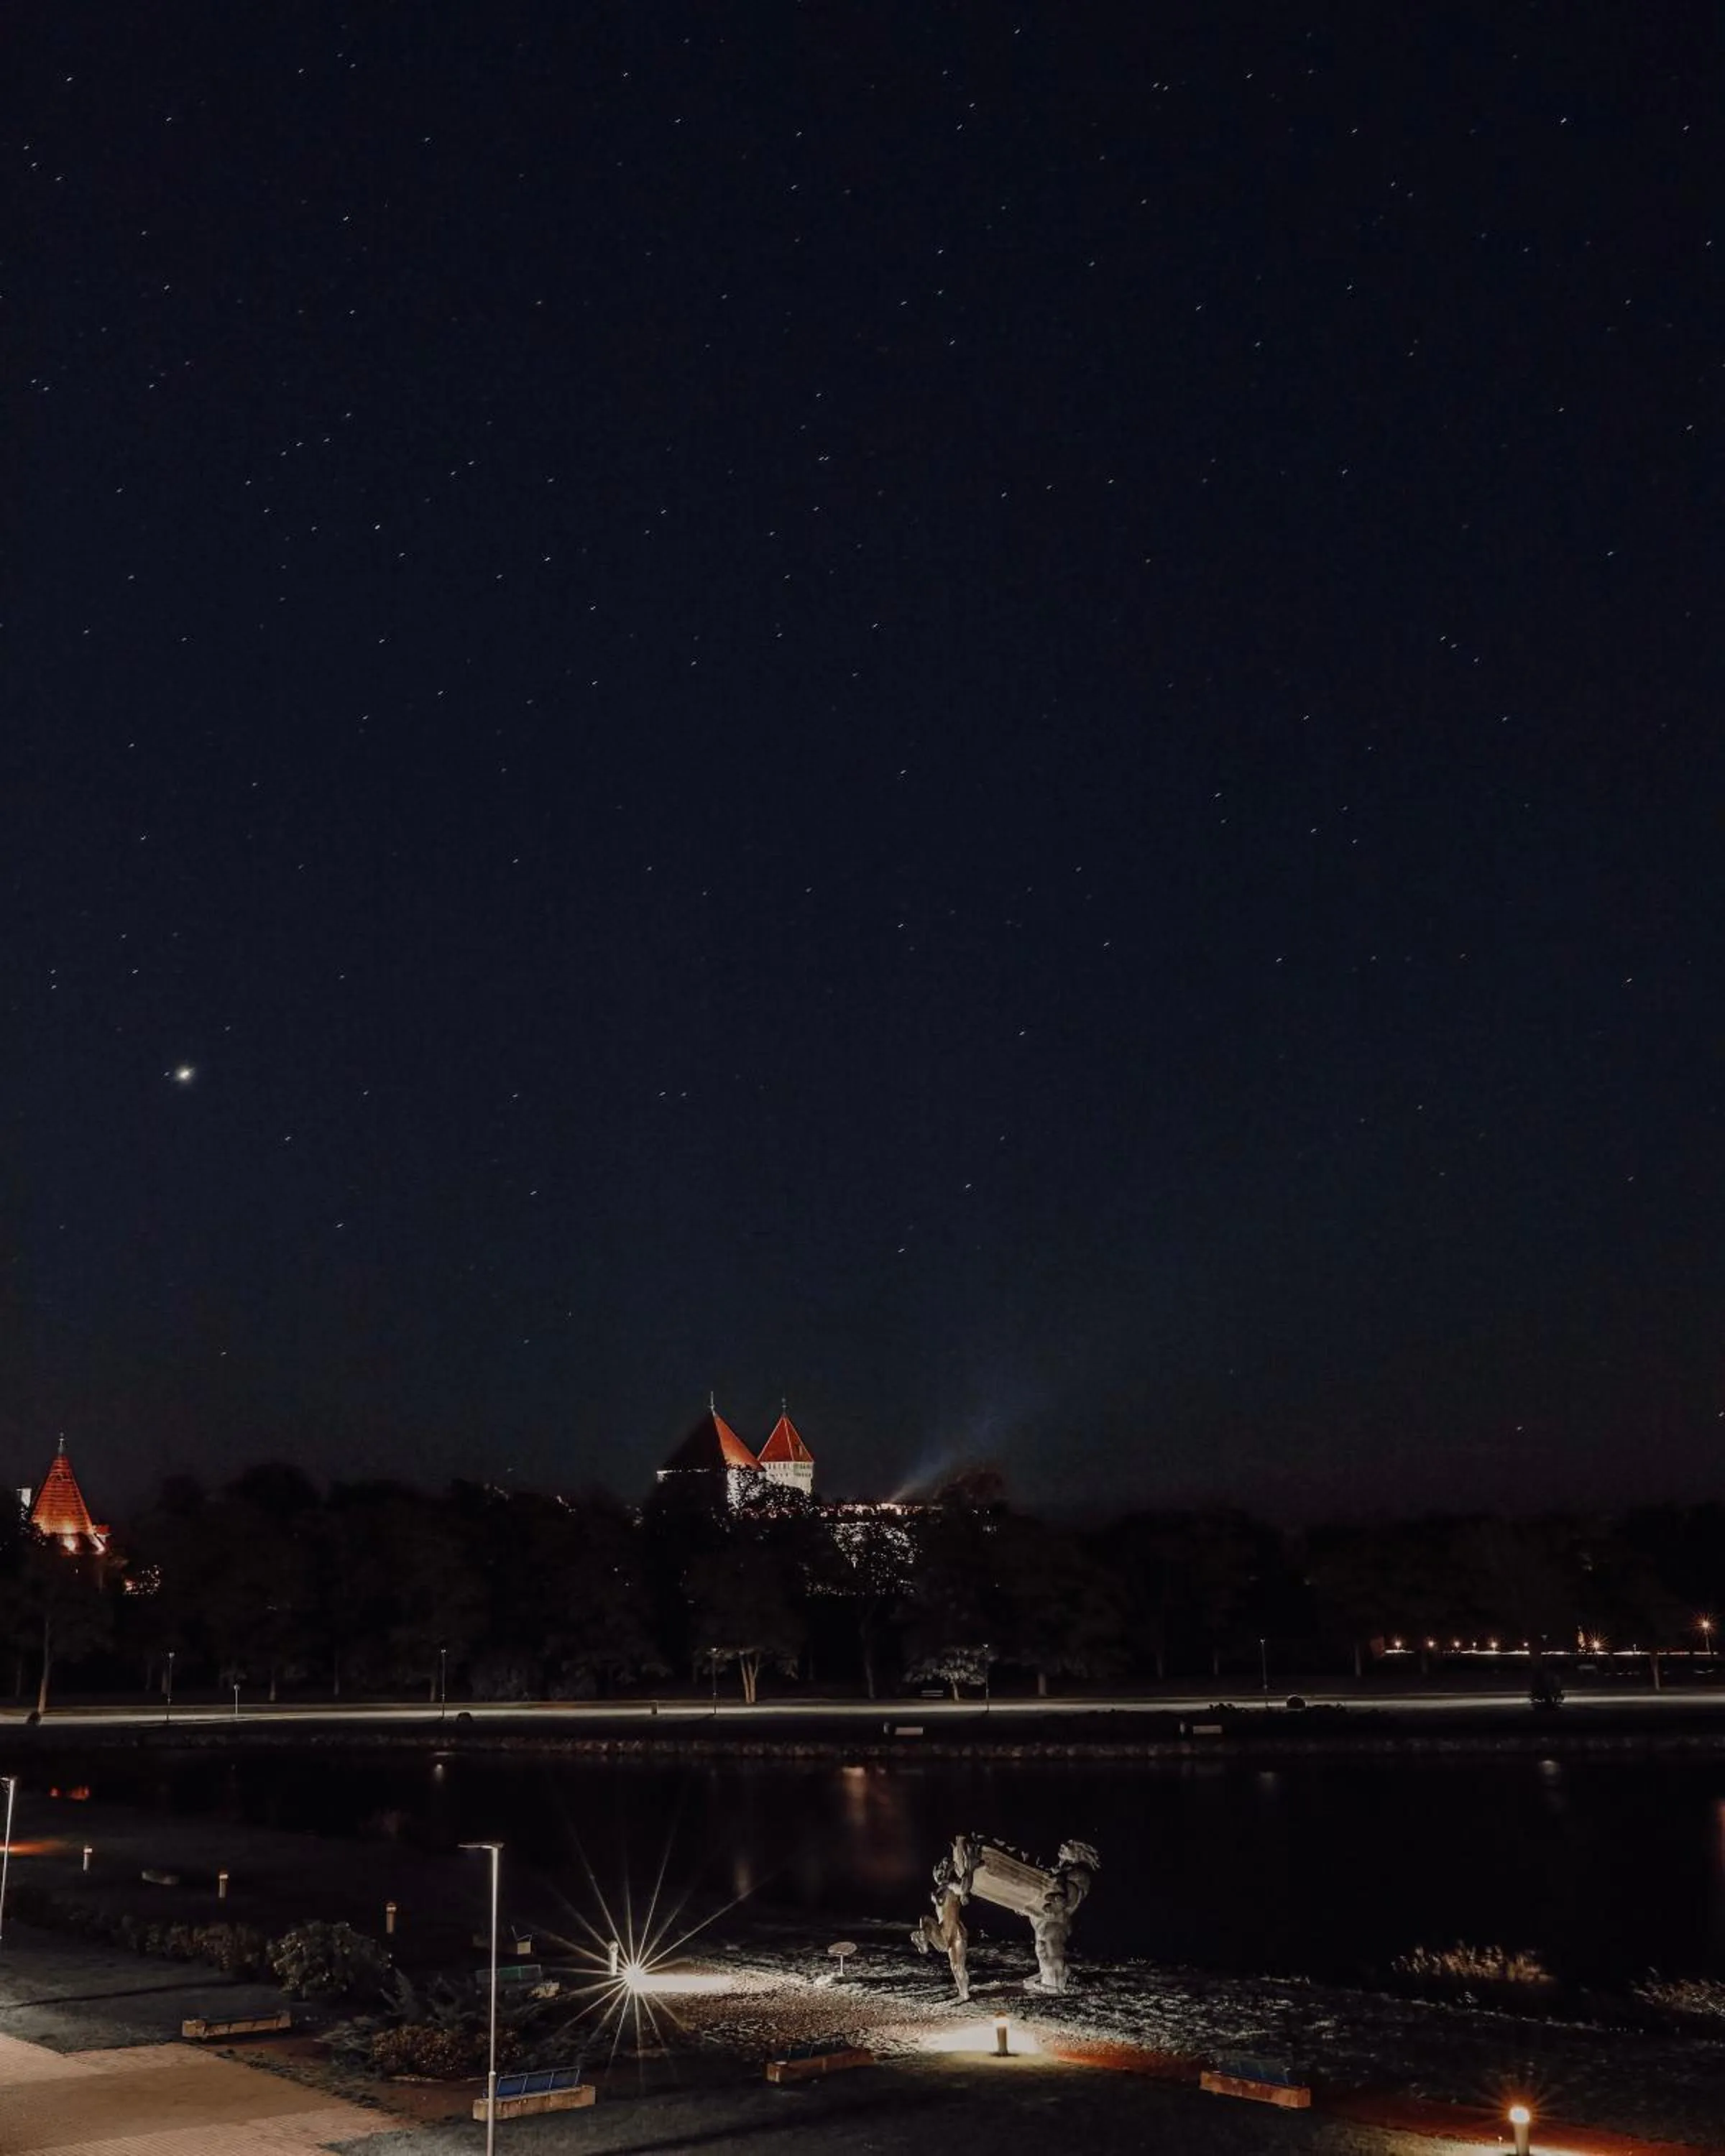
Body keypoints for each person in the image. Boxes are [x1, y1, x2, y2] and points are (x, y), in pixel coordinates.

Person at [1024, 1839, 1100, 1994]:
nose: (1063, 1846)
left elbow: (1072, 1895)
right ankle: (1047, 1978)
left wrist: (1062, 1901)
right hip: (1043, 1919)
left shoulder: (1078, 1874)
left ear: (1079, 1853)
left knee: (1052, 1948)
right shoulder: (1058, 1871)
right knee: (1041, 1948)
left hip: (1057, 1921)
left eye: (1070, 1846)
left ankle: (1056, 1983)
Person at [911, 1833, 977, 2001]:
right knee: (924, 1919)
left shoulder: (952, 1887)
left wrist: (969, 1868)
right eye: (939, 1870)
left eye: (944, 1870)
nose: (941, 1874)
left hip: (955, 1932)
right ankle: (924, 1943)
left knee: (957, 1966)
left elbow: (963, 1889)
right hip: (941, 1931)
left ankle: (964, 1994)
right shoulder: (938, 1890)